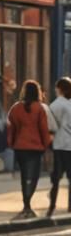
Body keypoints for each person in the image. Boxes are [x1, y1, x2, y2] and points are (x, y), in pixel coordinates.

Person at [7, 79, 52, 220]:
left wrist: (11, 143)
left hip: (20, 147)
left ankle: (26, 205)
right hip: (35, 147)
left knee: (24, 176)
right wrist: (46, 145)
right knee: (33, 177)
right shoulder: (40, 108)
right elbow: (44, 129)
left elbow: (11, 128)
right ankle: (27, 205)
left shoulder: (16, 108)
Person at [47, 77, 71, 217]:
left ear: (59, 89)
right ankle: (70, 206)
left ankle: (52, 206)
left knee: (56, 178)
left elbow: (50, 126)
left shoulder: (56, 105)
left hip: (59, 144)